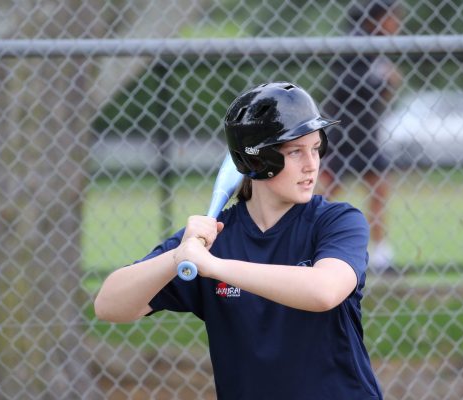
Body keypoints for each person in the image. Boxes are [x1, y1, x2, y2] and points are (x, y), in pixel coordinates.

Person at [94, 82, 384, 399]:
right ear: (258, 161)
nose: (312, 164)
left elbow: (324, 291)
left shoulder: (337, 221)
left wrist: (214, 267)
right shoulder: (212, 239)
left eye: (316, 148)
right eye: (295, 152)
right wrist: (178, 256)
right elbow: (109, 305)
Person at [319, 0, 402, 275]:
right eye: (392, 17)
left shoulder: (377, 48)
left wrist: (385, 83)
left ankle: (381, 257)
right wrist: (383, 81)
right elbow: (346, 84)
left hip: (366, 134)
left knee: (378, 188)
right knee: (325, 193)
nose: (397, 23)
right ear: (376, 18)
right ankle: (312, 245)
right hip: (345, 133)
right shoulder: (355, 44)